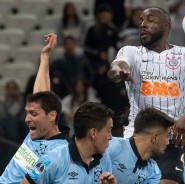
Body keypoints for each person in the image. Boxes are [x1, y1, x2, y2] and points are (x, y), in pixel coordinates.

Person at [107, 7, 185, 184]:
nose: (143, 25)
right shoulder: (131, 52)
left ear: (166, 26)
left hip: (171, 140)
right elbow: (115, 68)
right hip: (135, 139)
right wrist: (120, 70)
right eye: (141, 21)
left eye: (150, 20)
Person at [0, 33, 70, 183]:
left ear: (51, 116)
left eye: (33, 114)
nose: (27, 119)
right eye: (27, 113)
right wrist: (45, 57)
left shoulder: (59, 152)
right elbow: (41, 95)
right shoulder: (38, 131)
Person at [21, 102, 116, 184]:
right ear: (93, 133)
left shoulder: (105, 158)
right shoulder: (53, 160)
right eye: (108, 130)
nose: (110, 137)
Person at [107, 107, 174, 183]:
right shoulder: (111, 146)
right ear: (155, 138)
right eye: (167, 136)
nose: (168, 142)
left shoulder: (153, 172)